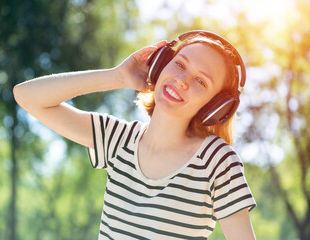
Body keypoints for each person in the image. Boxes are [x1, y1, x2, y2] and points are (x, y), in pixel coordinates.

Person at [13, 30, 256, 240]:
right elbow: (28, 96)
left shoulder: (218, 162)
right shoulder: (117, 138)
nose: (182, 80)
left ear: (216, 108)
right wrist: (118, 76)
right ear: (160, 65)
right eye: (179, 64)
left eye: (201, 81)